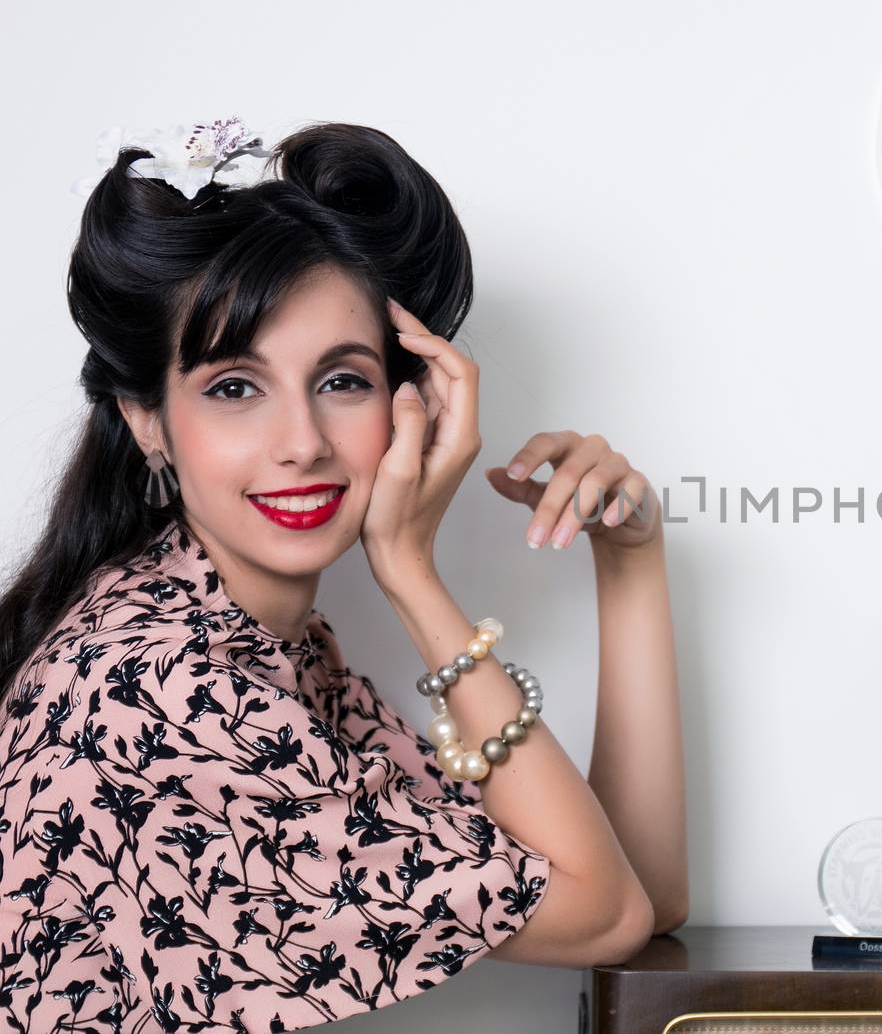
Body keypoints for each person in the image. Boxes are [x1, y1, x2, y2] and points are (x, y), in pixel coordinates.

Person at [0, 121, 687, 1032]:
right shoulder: (162, 687)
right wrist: (409, 570)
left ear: (414, 402)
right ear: (147, 421)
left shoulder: (251, 641)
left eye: (344, 380)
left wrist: (629, 560)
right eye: (234, 387)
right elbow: (603, 913)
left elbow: (637, 895)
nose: (302, 444)